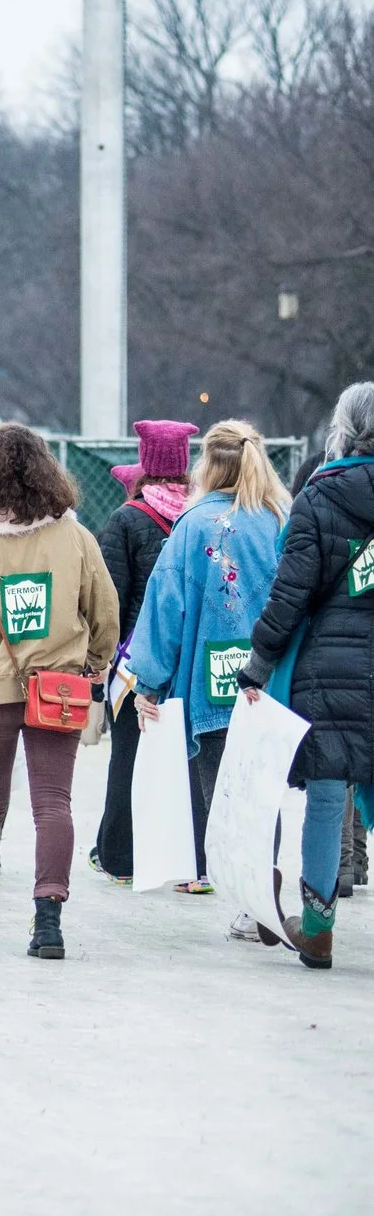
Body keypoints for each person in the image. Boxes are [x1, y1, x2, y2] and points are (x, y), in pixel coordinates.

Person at [0, 424, 118, 959]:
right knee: (53, 803)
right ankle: (48, 920)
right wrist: (94, 664)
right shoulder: (76, 537)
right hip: (59, 689)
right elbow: (105, 614)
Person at [122, 419, 286, 923]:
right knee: (265, 794)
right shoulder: (280, 519)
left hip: (212, 687)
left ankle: (248, 906)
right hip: (273, 682)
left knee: (224, 797)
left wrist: (147, 682)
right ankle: (266, 890)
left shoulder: (193, 526)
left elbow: (164, 608)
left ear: (209, 465)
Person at [237, 383, 374, 968]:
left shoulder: (318, 498)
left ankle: (317, 928)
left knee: (326, 791)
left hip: (330, 669)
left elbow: (289, 595)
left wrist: (259, 663)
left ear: (342, 428)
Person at [90, 420, 199, 884]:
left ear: (145, 460)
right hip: (190, 660)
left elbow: (111, 599)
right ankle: (194, 860)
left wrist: (102, 662)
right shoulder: (200, 515)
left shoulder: (126, 520)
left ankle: (119, 857)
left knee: (128, 758)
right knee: (191, 761)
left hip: (138, 663)